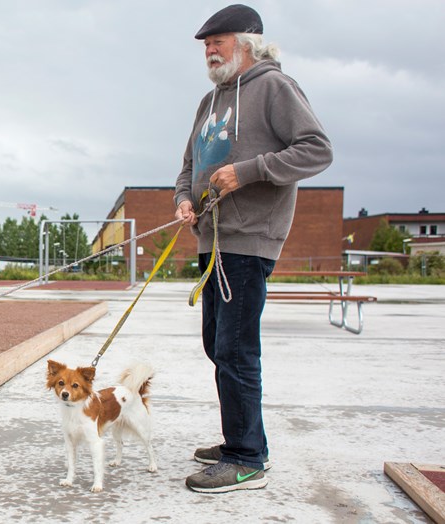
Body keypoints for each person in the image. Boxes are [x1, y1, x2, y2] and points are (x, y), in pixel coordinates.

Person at [174, 4, 333, 493]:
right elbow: (188, 165)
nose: (209, 50)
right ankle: (239, 439)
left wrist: (248, 171)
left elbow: (316, 149)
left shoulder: (275, 87)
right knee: (218, 347)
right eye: (206, 44)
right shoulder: (209, 101)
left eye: (218, 41)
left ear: (247, 42)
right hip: (212, 240)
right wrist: (184, 199)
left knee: (236, 351)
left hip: (248, 240)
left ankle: (247, 459)